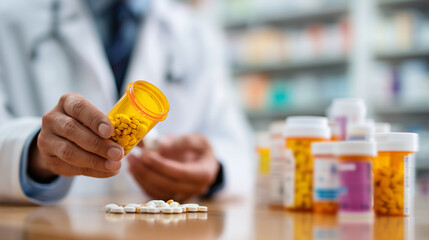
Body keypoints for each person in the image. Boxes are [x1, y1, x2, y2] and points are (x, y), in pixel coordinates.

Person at [0, 0, 253, 204]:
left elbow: (237, 146)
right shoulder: (10, 17)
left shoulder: (193, 31)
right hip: (48, 227)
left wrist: (214, 171)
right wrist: (34, 152)